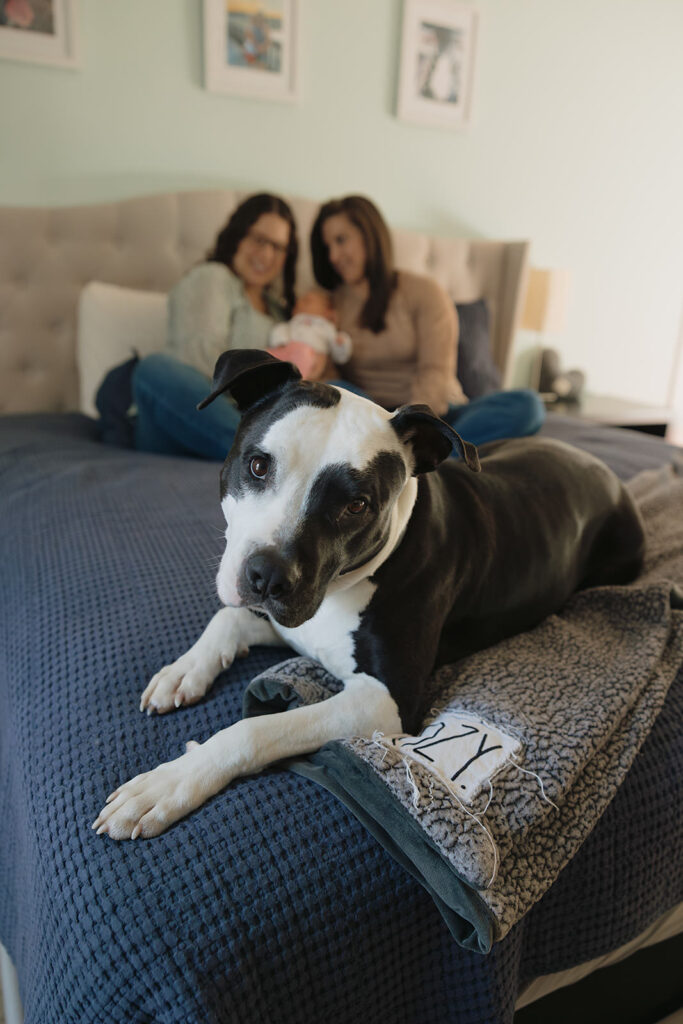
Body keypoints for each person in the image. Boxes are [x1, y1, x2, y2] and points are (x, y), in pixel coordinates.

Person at [309, 194, 545, 450]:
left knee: (528, 405)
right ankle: (429, 458)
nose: (333, 255)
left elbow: (436, 371)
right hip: (373, 416)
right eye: (327, 246)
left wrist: (412, 430)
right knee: (332, 389)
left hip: (438, 413)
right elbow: (327, 371)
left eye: (341, 240)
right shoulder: (329, 304)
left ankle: (428, 461)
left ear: (369, 235)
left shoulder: (423, 292)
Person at [97, 193, 299, 460]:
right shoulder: (213, 278)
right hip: (185, 417)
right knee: (155, 369)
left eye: (278, 247)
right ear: (238, 235)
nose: (266, 254)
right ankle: (264, 458)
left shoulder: (278, 311)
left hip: (253, 420)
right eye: (258, 240)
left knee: (340, 388)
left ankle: (262, 456)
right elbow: (203, 366)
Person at [266, 289, 352, 380]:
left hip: (312, 358)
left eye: (307, 301)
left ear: (327, 311)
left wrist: (341, 343)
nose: (299, 303)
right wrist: (280, 342)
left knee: (304, 354)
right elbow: (282, 329)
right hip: (289, 351)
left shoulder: (325, 327)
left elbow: (339, 356)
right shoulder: (294, 322)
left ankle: (295, 378)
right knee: (266, 354)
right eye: (298, 301)